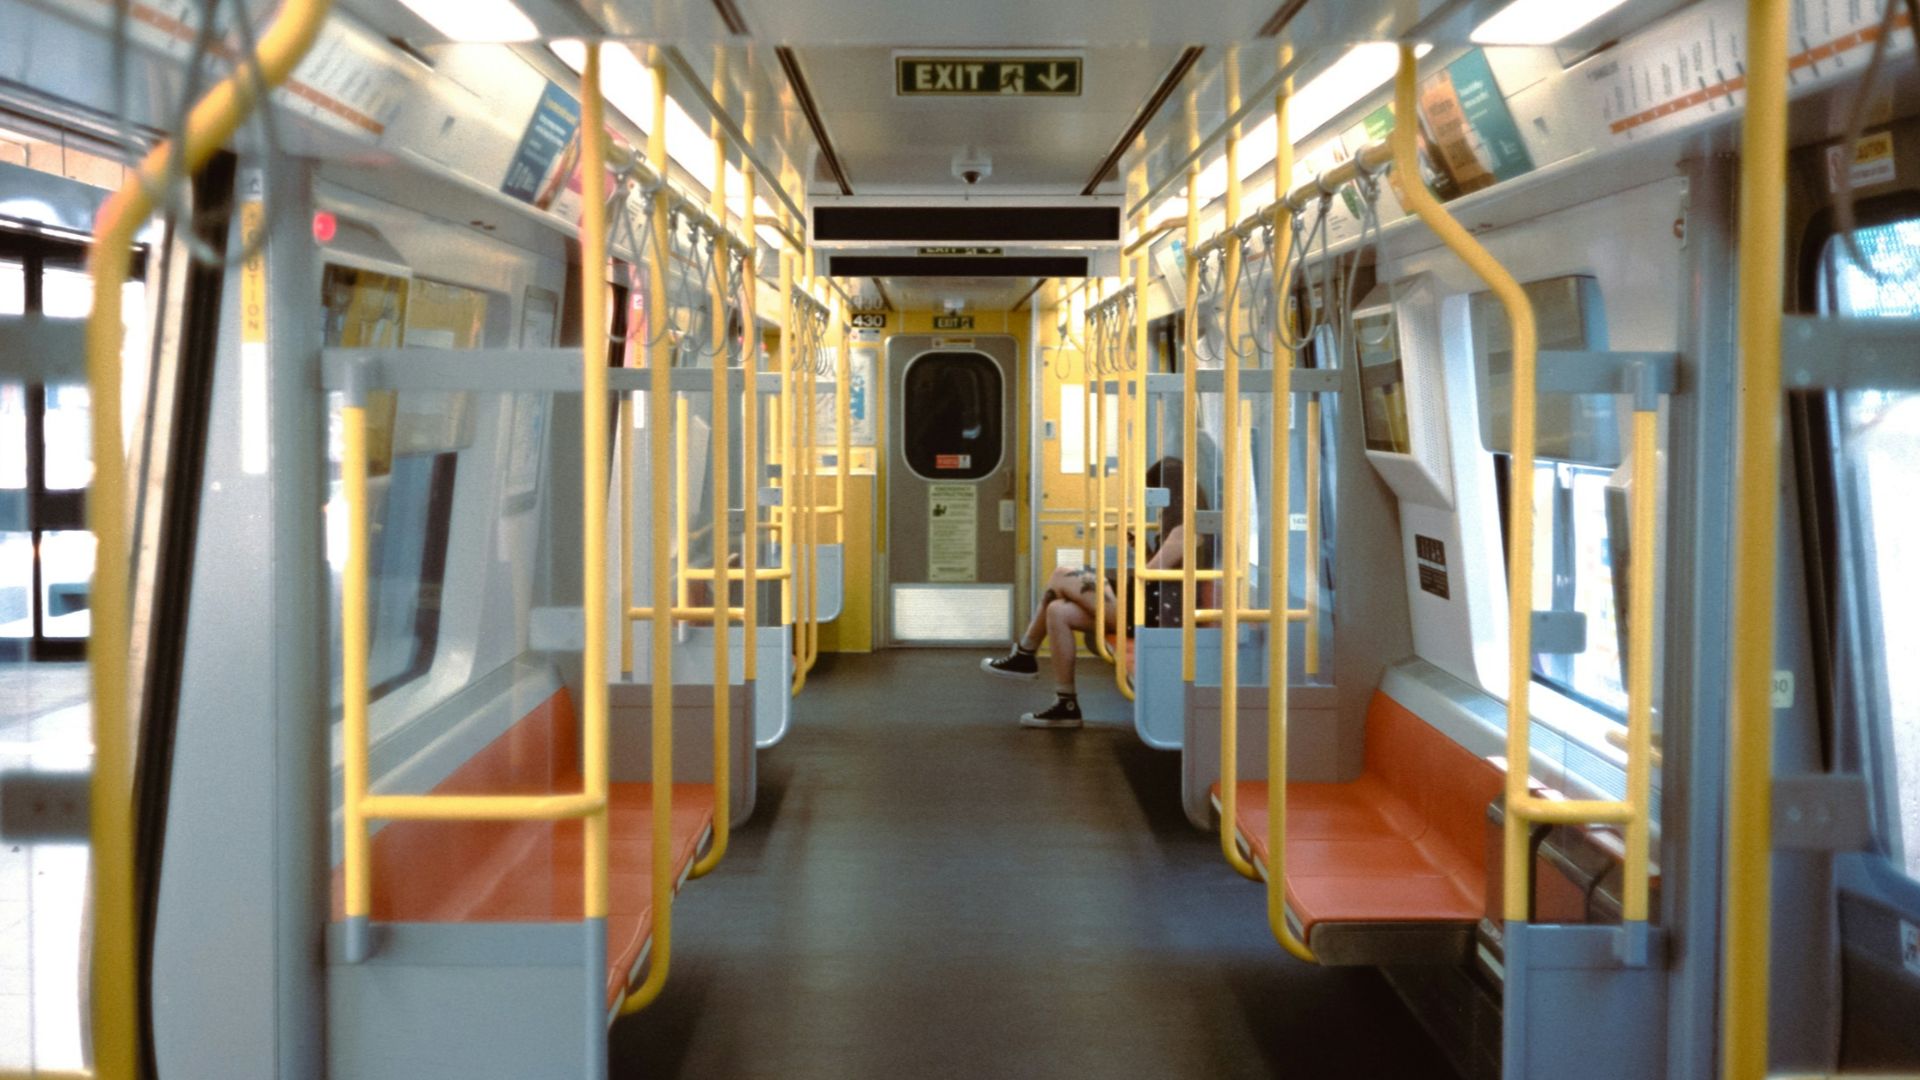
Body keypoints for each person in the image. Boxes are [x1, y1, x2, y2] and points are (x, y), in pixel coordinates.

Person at [981, 458, 1204, 728]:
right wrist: (1143, 550)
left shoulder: (1185, 524)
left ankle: (1026, 653)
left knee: (1062, 574)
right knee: (1058, 611)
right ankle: (1066, 704)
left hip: (1156, 612)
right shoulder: (1178, 524)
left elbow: (1167, 559)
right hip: (1150, 605)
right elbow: (1162, 567)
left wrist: (1145, 563)